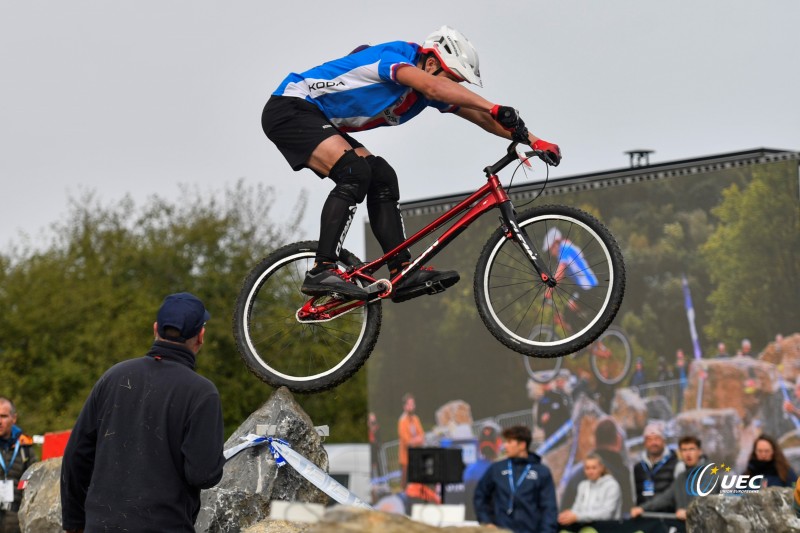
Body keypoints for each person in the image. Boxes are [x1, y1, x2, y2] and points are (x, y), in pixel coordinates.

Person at [262, 26, 561, 302]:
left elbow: (481, 117)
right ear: (431, 63)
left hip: (317, 118)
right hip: (291, 106)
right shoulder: (397, 57)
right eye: (453, 79)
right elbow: (439, 90)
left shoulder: (425, 92)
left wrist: (533, 139)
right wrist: (493, 105)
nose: (455, 87)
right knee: (354, 172)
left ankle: (402, 272)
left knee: (382, 178)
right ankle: (321, 268)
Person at [60, 292, 226, 533]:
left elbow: (76, 455)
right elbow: (202, 474)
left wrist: (74, 523)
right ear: (201, 336)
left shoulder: (113, 377)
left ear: (155, 328)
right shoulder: (202, 393)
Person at [474, 425, 557, 533]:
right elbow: (480, 496)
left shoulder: (541, 472)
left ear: (522, 445)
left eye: (509, 442)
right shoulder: (497, 469)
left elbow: (549, 507)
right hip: (501, 531)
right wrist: (487, 522)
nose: (505, 446)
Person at [560, 417, 634, 514]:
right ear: (618, 440)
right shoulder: (624, 476)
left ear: (595, 441)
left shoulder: (576, 474)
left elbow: (564, 511)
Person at [630, 435, 712, 521]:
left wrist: (689, 512)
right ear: (680, 453)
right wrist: (642, 508)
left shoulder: (709, 474)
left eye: (692, 449)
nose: (688, 454)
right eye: (684, 450)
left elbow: (705, 499)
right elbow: (666, 498)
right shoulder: (681, 478)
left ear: (700, 451)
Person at [0, 398, 37, 533]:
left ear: (13, 418)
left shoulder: (24, 448)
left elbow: (34, 484)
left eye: (3, 416)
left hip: (16, 521)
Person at [557, 453, 622, 530]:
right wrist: (568, 515)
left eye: (594, 468)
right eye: (587, 468)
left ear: (601, 468)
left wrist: (577, 517)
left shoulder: (612, 485)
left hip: (606, 528)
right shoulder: (582, 485)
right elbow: (576, 509)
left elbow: (606, 514)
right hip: (583, 526)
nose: (590, 471)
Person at [632, 422, 681, 505]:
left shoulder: (676, 464)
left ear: (664, 440)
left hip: (668, 516)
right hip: (643, 515)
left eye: (657, 438)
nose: (653, 443)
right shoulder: (638, 468)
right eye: (649, 439)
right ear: (644, 443)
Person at [536, 375, 573, 447]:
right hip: (549, 437)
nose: (546, 385)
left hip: (561, 435)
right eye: (544, 384)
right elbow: (538, 422)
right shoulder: (541, 401)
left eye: (547, 383)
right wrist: (542, 420)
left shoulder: (558, 397)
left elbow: (566, 414)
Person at [397, 393, 425, 488]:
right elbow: (407, 442)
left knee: (417, 484)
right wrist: (416, 440)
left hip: (416, 456)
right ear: (404, 406)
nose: (412, 406)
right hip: (406, 460)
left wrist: (416, 440)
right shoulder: (402, 421)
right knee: (405, 485)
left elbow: (422, 435)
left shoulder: (416, 419)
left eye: (413, 404)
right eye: (409, 404)